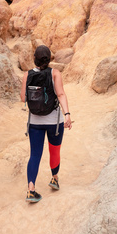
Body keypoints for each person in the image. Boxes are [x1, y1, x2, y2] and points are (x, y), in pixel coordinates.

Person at [20, 45, 72, 203]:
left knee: (35, 155)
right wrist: (67, 114)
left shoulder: (27, 75)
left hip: (35, 121)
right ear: (50, 58)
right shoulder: (55, 73)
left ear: (34, 58)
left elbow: (23, 98)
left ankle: (31, 190)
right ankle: (54, 179)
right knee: (54, 151)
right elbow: (61, 93)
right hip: (54, 122)